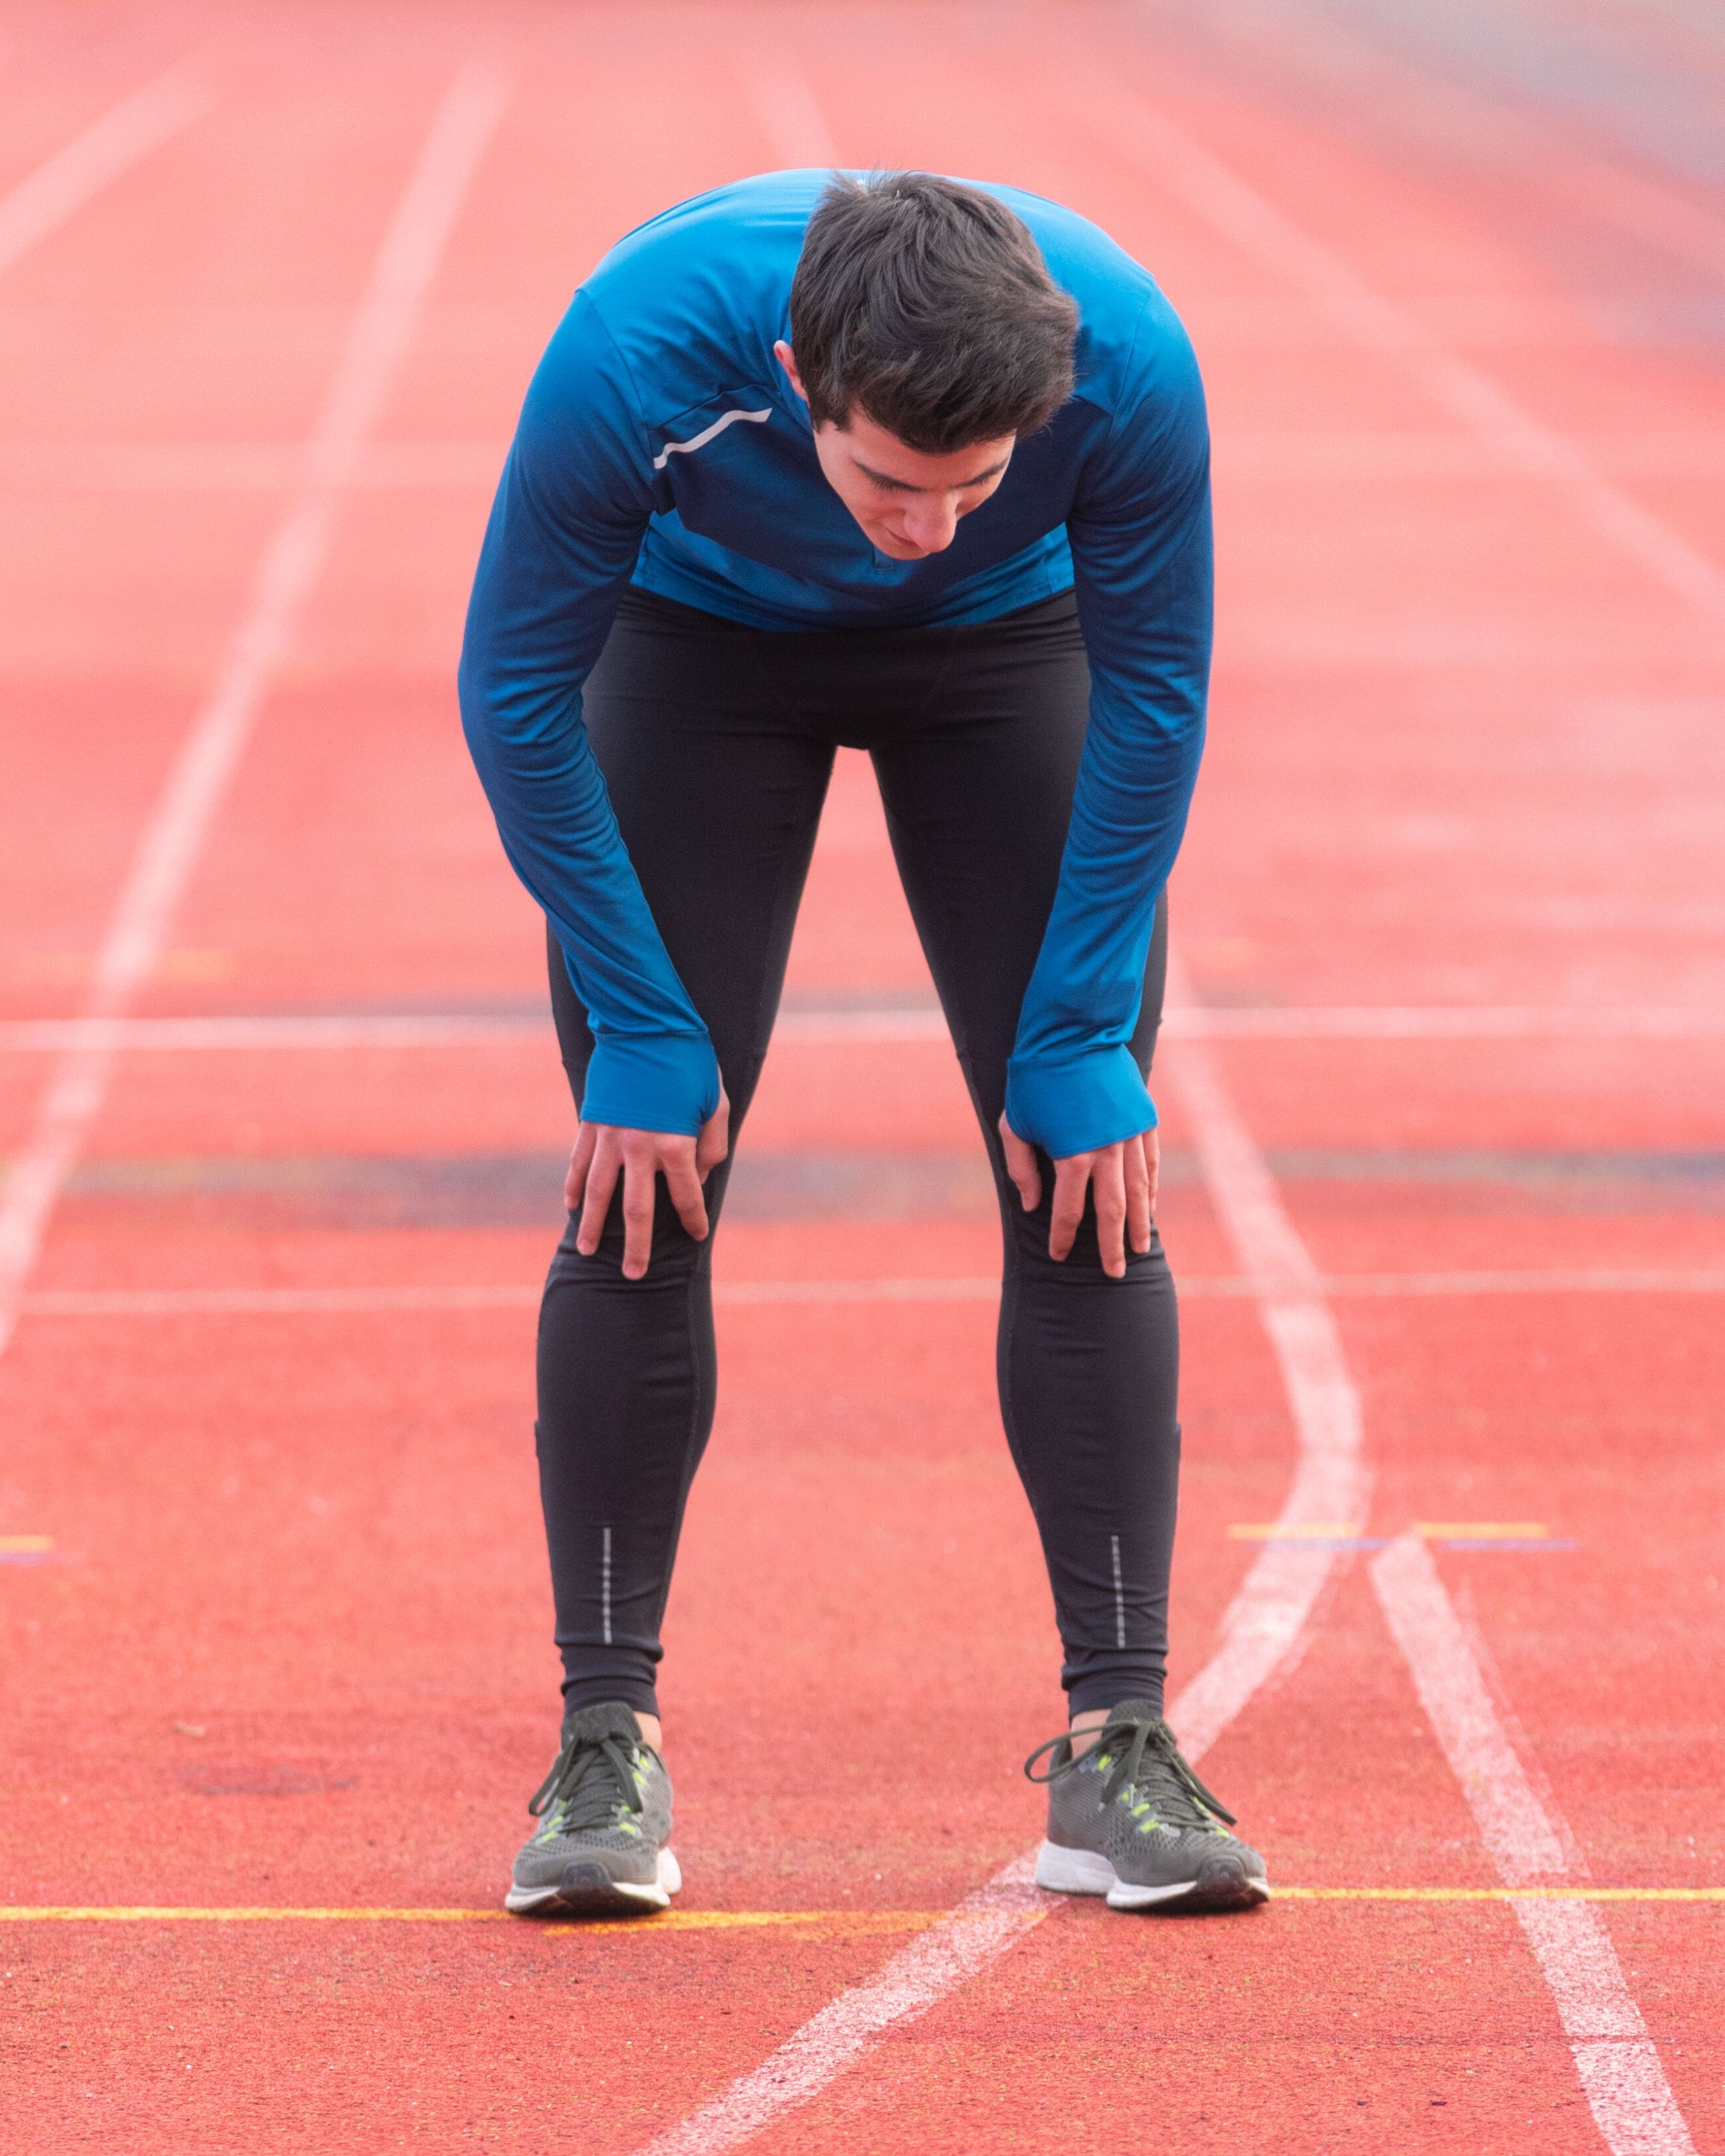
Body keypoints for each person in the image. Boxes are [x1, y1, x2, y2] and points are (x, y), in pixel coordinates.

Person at [459, 168, 1269, 1918]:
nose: (925, 521)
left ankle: (1120, 1746)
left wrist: (1074, 1032)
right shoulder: (639, 342)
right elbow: (511, 690)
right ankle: (608, 1745)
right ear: (797, 376)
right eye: (893, 480)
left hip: (1009, 654)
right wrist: (644, 1020)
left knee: (1088, 1164)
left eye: (974, 480)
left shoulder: (1126, 358)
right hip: (701, 639)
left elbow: (1157, 695)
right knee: (641, 1177)